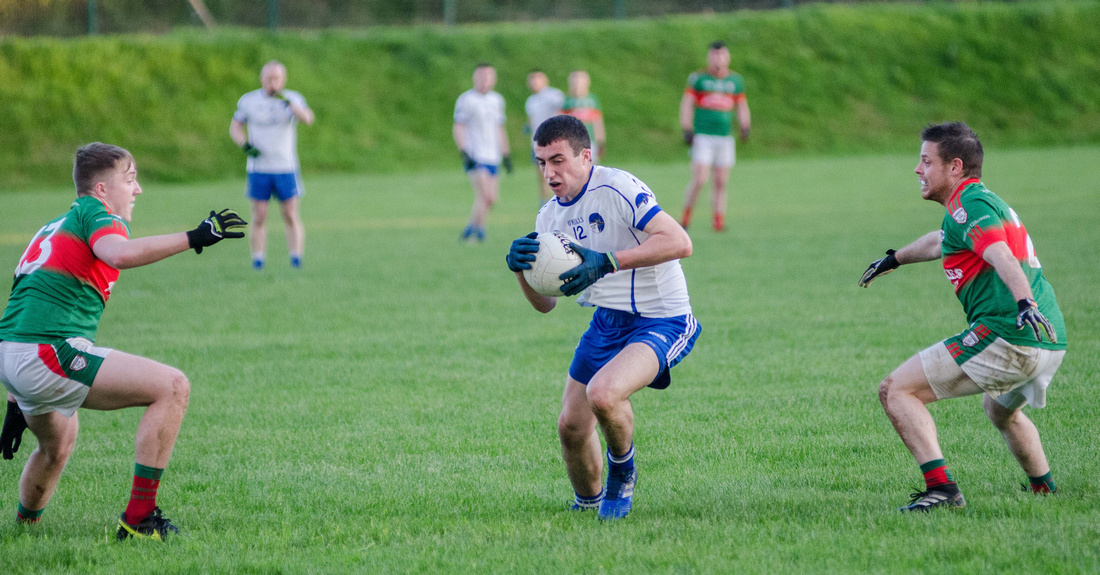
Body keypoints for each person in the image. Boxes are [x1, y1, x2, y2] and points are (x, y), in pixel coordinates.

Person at [0, 143, 247, 539]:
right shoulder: (95, 214)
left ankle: (23, 529)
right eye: (130, 179)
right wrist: (195, 237)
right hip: (46, 353)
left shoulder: (53, 226)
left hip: (13, 355)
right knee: (172, 387)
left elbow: (25, 304)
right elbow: (117, 254)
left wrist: (14, 399)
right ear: (100, 189)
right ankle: (140, 520)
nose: (138, 190)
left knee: (58, 443)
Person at [859, 122, 1067, 511]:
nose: (918, 170)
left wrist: (1024, 303)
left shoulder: (967, 208)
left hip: (1011, 332)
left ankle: (943, 491)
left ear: (955, 166)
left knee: (896, 390)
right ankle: (1045, 490)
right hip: (1049, 340)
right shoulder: (973, 204)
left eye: (926, 161)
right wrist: (894, 259)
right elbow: (942, 240)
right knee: (1000, 411)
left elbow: (999, 254)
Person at [505, 115, 701, 521]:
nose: (549, 172)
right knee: (571, 427)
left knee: (604, 394)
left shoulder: (618, 187)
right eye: (541, 162)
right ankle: (587, 503)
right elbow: (546, 305)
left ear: (586, 156)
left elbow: (680, 242)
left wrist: (608, 262)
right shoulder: (547, 219)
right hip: (606, 323)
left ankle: (622, 477)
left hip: (662, 318)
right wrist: (520, 273)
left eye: (557, 160)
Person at [230, 60, 314, 270]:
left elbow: (308, 119)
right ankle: (258, 260)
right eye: (268, 78)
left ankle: (296, 259)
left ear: (283, 80)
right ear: (262, 79)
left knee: (290, 214)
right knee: (259, 215)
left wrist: (292, 106)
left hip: (285, 167)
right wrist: (245, 145)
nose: (272, 83)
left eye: (276, 79)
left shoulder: (292, 98)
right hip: (259, 168)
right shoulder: (248, 101)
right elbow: (235, 127)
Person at [679, 40, 751, 232]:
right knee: (700, 178)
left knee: (721, 181)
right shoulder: (699, 79)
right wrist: (686, 127)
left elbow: (741, 105)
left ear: (728, 57)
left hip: (725, 137)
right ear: (709, 57)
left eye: (722, 55)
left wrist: (745, 125)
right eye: (715, 55)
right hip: (703, 136)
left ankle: (718, 220)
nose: (718, 59)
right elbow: (687, 103)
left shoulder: (735, 81)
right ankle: (685, 218)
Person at [453, 63, 512, 242]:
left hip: (493, 156)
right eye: (482, 76)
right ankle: (480, 230)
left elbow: (499, 128)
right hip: (475, 154)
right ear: (475, 77)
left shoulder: (497, 100)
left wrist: (506, 154)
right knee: (484, 195)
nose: (485, 80)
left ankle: (471, 226)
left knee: (492, 199)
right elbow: (458, 126)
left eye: (489, 76)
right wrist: (464, 151)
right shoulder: (466, 99)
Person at [524, 69, 564, 205]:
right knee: (542, 175)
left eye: (537, 78)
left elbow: (563, 111)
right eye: (532, 79)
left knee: (558, 172)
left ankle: (561, 198)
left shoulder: (554, 95)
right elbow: (532, 120)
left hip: (553, 141)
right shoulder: (531, 101)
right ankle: (545, 202)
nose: (534, 82)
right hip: (537, 142)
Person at [562, 71, 606, 164]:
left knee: (590, 167)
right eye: (575, 82)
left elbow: (597, 123)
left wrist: (601, 142)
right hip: (571, 141)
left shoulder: (592, 100)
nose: (577, 85)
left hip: (590, 140)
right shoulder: (566, 101)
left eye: (580, 82)